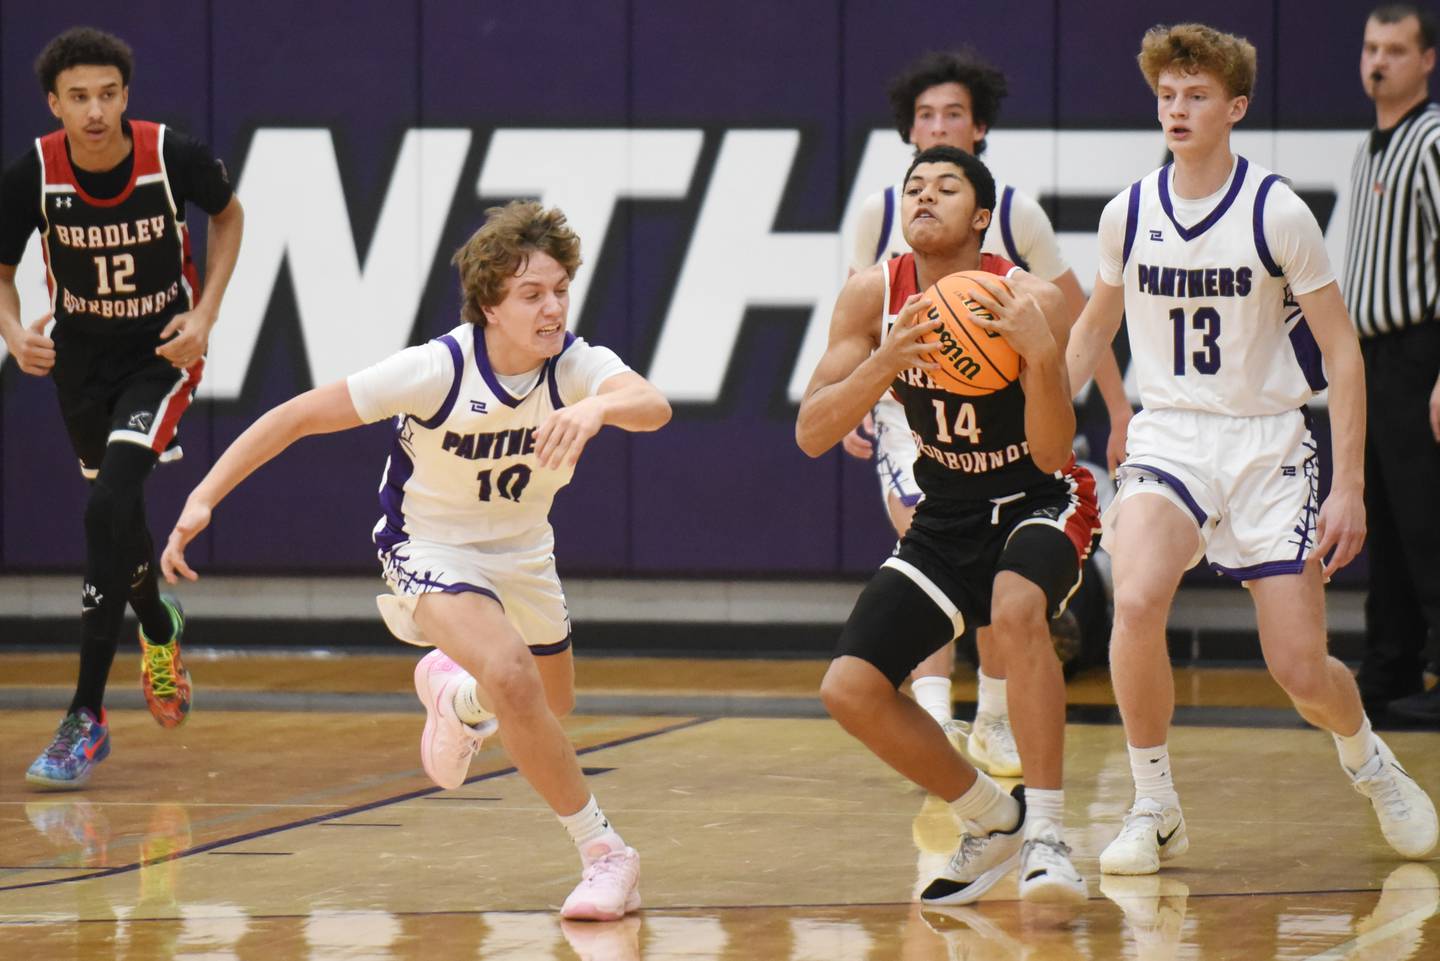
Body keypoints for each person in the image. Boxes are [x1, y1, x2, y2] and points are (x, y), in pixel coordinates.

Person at [160, 200, 670, 920]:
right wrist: (204, 497)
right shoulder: (438, 368)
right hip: (427, 545)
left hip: (524, 553)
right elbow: (299, 415)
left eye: (559, 289)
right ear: (490, 304)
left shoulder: (579, 366)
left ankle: (456, 699)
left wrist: (598, 408)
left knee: (547, 705)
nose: (552, 307)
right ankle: (606, 852)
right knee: (512, 675)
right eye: (532, 294)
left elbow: (652, 405)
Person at [1066, 22, 1438, 875]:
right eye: (1167, 95)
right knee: (1134, 598)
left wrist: (1349, 487)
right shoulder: (1130, 212)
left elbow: (1343, 353)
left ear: (1234, 107)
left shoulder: (1277, 210)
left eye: (1196, 94)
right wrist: (1042, 410)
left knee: (1301, 671)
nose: (1177, 109)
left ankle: (1369, 758)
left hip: (1269, 443)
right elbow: (1093, 328)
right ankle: (1154, 802)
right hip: (1171, 434)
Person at [798, 144, 1100, 905]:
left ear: (984, 217)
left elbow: (1055, 448)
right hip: (947, 512)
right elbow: (810, 430)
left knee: (1015, 608)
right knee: (849, 687)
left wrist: (1039, 359)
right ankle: (992, 818)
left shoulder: (1028, 297)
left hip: (1040, 498)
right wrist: (883, 363)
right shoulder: (874, 296)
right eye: (913, 188)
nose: (924, 197)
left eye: (946, 186)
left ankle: (1050, 837)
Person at [842, 50, 1131, 776]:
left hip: (1007, 403)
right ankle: (935, 709)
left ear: (981, 128)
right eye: (925, 116)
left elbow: (1079, 319)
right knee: (924, 529)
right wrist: (858, 391)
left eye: (953, 115)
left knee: (1007, 573)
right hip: (911, 402)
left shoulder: (1013, 215)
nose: (938, 125)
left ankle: (995, 715)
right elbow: (858, 323)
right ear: (907, 132)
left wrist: (1110, 405)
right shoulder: (882, 214)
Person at [0, 27, 244, 788]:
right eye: (79, 97)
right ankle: (160, 622)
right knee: (116, 516)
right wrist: (12, 330)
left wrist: (203, 314)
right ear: (55, 103)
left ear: (125, 96)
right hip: (80, 360)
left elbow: (228, 215)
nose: (95, 110)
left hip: (159, 355)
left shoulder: (170, 154)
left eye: (108, 94)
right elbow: (2, 270)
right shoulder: (33, 173)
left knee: (108, 501)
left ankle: (85, 716)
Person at [1343, 4, 1440, 725]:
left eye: (1396, 50)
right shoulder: (1370, 146)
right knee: (1386, 514)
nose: (1379, 61)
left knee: (1429, 517)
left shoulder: (1432, 138)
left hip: (1421, 353)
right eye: (1372, 48)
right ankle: (1390, 663)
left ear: (1426, 61)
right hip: (1373, 357)